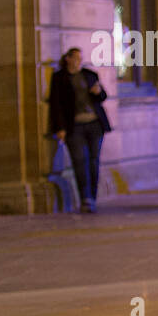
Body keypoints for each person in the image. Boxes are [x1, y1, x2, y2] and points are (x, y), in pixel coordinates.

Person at [48, 48, 111, 213]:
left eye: (80, 58)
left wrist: (99, 92)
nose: (78, 61)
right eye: (75, 58)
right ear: (68, 59)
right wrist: (59, 128)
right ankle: (85, 198)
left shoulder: (90, 75)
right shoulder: (59, 78)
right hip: (74, 126)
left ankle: (93, 197)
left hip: (94, 124)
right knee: (79, 161)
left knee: (93, 160)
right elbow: (56, 105)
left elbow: (103, 97)